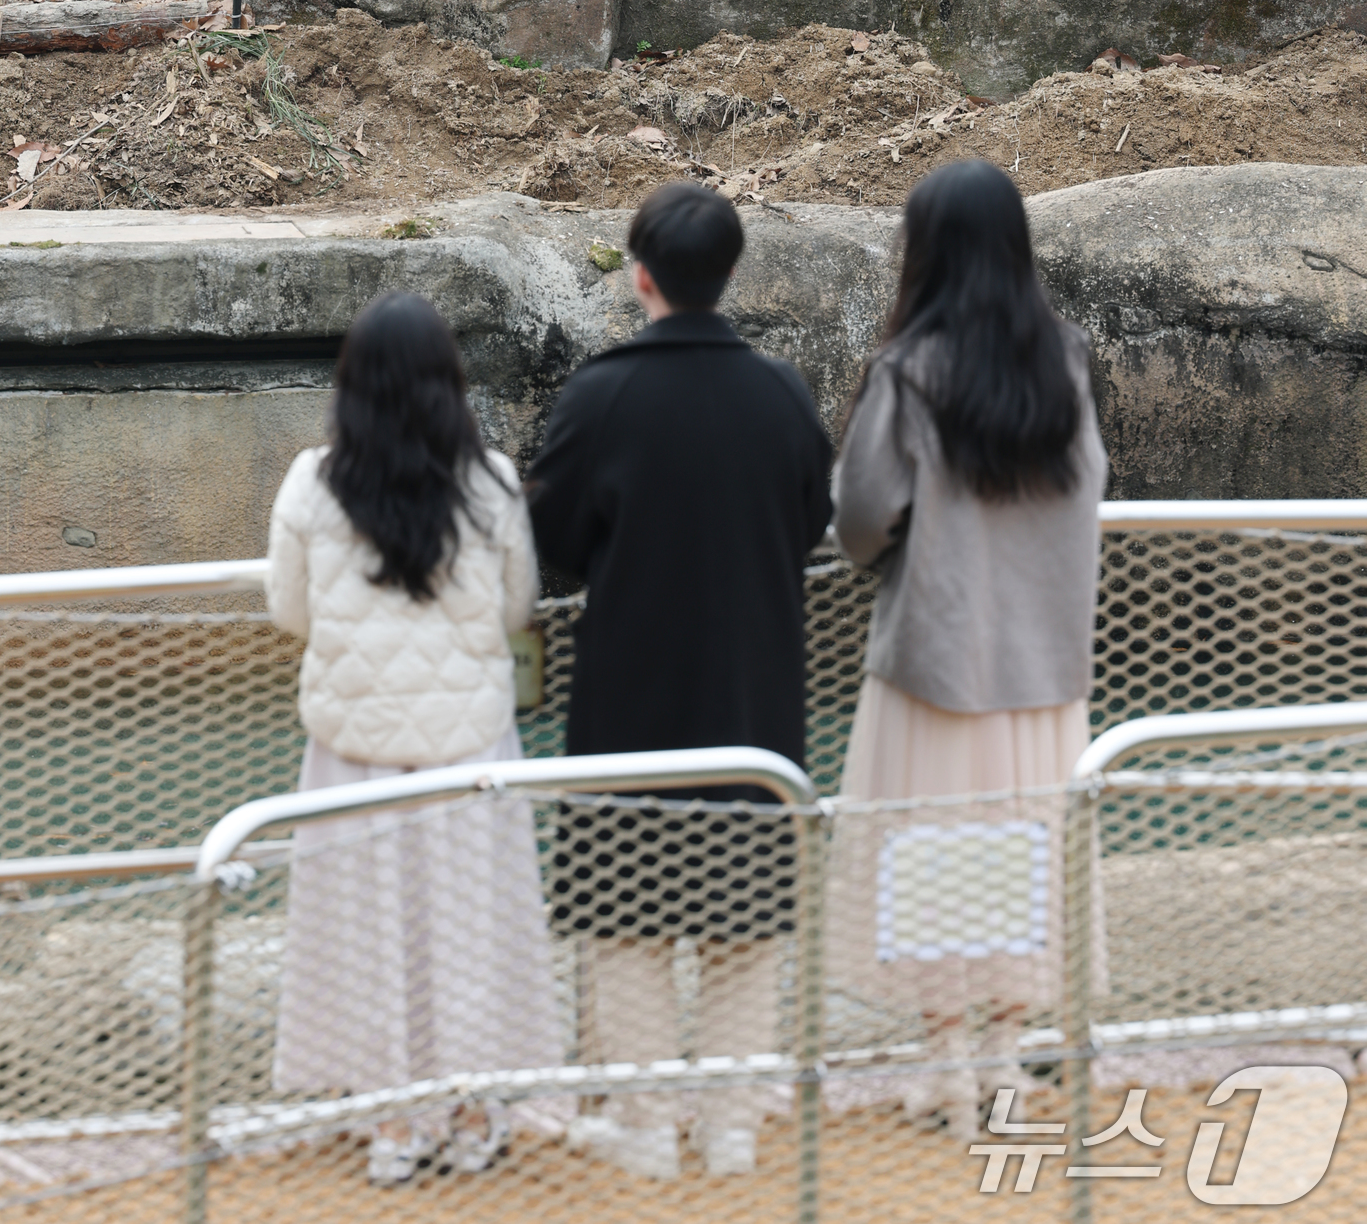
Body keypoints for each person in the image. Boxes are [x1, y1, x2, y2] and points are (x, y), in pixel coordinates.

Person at [527, 182, 833, 1181]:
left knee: (627, 917)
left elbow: (554, 540)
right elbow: (809, 520)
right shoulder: (781, 392)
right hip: (754, 695)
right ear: (732, 272)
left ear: (639, 274)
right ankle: (735, 1123)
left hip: (628, 698)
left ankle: (646, 1123)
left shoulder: (599, 393)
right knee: (745, 919)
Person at [830, 160, 1107, 1137]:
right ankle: (1000, 1063)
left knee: (932, 857)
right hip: (1043, 671)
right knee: (1023, 854)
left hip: (939, 664)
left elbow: (860, 515)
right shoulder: (1064, 359)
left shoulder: (909, 368)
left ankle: (945, 1068)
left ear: (926, 251)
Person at [264, 291, 563, 1185]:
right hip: (469, 745)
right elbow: (517, 610)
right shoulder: (494, 483)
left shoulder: (311, 483)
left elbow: (288, 612)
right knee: (469, 929)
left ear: (350, 385)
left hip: (351, 749)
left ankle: (395, 1124)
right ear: (449, 385)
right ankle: (475, 1115)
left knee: (366, 930)